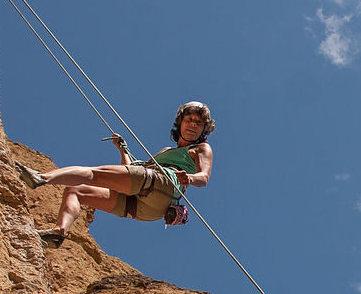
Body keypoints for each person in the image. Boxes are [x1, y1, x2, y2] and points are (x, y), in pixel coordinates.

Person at [16, 101, 215, 247]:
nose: (193, 125)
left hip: (164, 184)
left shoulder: (201, 148)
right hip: (147, 208)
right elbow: (127, 176)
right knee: (75, 191)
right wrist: (123, 151)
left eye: (198, 123)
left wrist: (189, 178)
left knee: (93, 173)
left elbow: (204, 177)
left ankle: (41, 178)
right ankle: (59, 233)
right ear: (180, 123)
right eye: (189, 120)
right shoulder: (165, 152)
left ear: (203, 130)